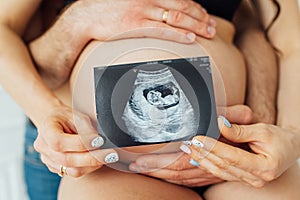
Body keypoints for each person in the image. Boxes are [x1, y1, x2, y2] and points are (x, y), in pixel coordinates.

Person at [0, 0, 294, 199]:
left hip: (237, 155)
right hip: (100, 164)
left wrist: (292, 135)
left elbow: (290, 42)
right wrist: (46, 113)